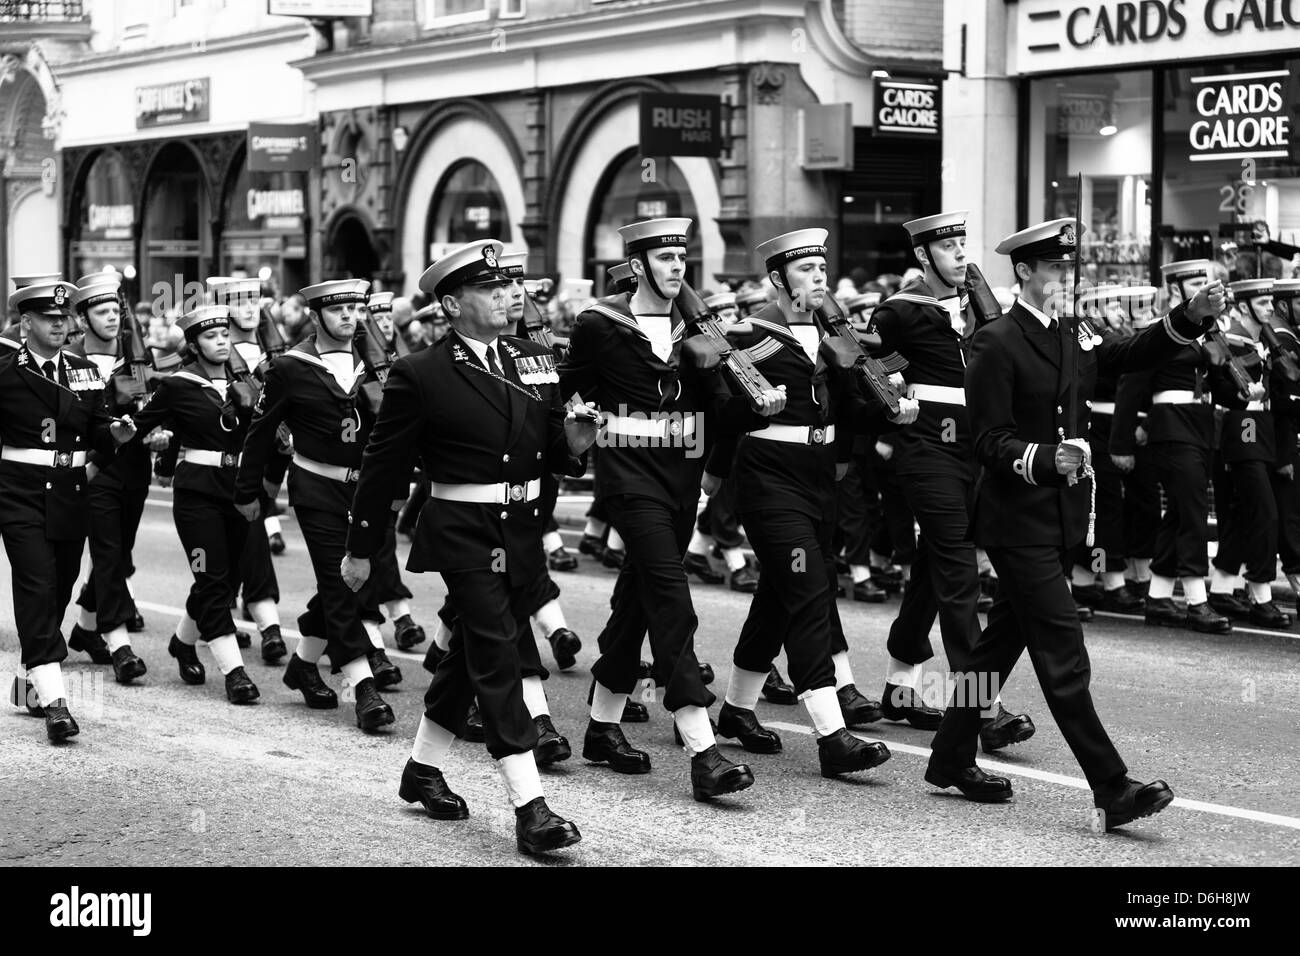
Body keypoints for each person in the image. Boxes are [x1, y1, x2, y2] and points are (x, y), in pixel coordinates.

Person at [926, 218, 1224, 831]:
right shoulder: (995, 340)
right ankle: (1112, 787)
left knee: (999, 643)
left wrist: (1187, 319)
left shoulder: (1070, 334)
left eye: (1070, 268)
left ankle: (951, 755)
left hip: (1059, 515)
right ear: (1026, 271)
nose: (1066, 278)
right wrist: (1040, 459)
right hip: (1015, 517)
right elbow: (986, 438)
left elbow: (1128, 354)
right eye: (1056, 268)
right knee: (1063, 650)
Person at [341, 240, 592, 856]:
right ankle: (530, 806)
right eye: (491, 287)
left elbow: (553, 451)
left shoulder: (535, 360)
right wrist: (361, 549)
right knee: (500, 653)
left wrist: (577, 442)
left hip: (522, 528)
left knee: (466, 654)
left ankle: (422, 769)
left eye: (511, 283)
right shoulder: (419, 372)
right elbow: (383, 466)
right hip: (463, 530)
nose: (509, 294)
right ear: (451, 305)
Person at [558, 218, 779, 801]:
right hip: (628, 475)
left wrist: (760, 407)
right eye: (664, 258)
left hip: (682, 477)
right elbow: (566, 390)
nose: (677, 267)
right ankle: (703, 750)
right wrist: (581, 429)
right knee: (671, 600)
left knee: (638, 600)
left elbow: (722, 410)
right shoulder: (600, 324)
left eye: (682, 256)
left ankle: (603, 727)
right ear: (637, 266)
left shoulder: (698, 328)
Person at [703, 228, 917, 777]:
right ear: (777, 280)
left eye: (822, 268)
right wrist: (723, 456)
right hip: (769, 480)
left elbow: (851, 412)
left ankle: (736, 709)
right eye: (805, 270)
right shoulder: (746, 337)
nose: (818, 277)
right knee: (808, 591)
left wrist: (895, 406)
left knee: (778, 595)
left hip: (820, 478)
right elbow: (722, 417)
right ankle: (831, 733)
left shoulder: (836, 338)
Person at [869, 211, 1035, 750]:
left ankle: (900, 684)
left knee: (934, 568)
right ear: (924, 257)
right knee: (960, 571)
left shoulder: (984, 311)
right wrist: (894, 406)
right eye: (948, 248)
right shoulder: (898, 312)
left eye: (965, 244)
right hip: (926, 451)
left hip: (976, 451)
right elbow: (872, 374)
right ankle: (981, 704)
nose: (962, 254)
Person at [234, 279, 396, 732]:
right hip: (317, 488)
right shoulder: (290, 366)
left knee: (361, 579)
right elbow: (262, 432)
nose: (349, 317)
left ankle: (304, 665)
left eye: (354, 309)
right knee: (341, 580)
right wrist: (250, 492)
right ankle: (363, 689)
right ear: (316, 315)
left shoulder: (378, 363)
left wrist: (401, 484)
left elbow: (397, 432)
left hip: (367, 491)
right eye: (338, 309)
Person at [1, 280, 137, 740]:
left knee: (57, 590)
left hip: (69, 491)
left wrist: (115, 436)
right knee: (37, 585)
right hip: (18, 493)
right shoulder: (5, 372)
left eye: (64, 319)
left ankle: (29, 685)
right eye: (49, 319)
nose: (60, 325)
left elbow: (97, 430)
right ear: (27, 323)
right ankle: (57, 703)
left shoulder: (82, 371)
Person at [129, 303, 263, 704]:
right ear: (193, 344)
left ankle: (182, 643)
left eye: (225, 335)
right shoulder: (178, 385)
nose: (221, 342)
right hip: (197, 496)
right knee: (211, 578)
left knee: (227, 577)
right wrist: (151, 440)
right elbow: (138, 427)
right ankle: (234, 671)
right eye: (210, 336)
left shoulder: (247, 382)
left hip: (238, 491)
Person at [1114, 260, 1235, 634]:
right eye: (1196, 283)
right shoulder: (1164, 332)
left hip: (1200, 429)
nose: (1205, 287)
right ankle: (1197, 601)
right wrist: (1121, 443)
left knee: (1180, 513)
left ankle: (1159, 597)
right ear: (1175, 290)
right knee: (1193, 511)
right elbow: (1130, 387)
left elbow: (1224, 385)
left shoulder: (1208, 332)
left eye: (1206, 280)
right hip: (1170, 430)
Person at [65, 273, 151, 682]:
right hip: (93, 471)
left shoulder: (137, 356)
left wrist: (159, 437)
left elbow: (150, 407)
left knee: (120, 553)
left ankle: (84, 630)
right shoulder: (69, 362)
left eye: (115, 310)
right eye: (101, 312)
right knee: (108, 552)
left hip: (134, 469)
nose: (112, 318)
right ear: (83, 319)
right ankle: (119, 643)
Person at [1205, 279, 1294, 629]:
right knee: (1265, 513)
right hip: (1244, 429)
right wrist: (1245, 398)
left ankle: (1224, 589)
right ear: (1243, 307)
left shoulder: (1265, 342)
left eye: (1272, 300)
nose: (1270, 306)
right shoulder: (1232, 340)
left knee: (1244, 514)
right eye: (1262, 301)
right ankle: (1261, 595)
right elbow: (1221, 389)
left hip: (1263, 430)